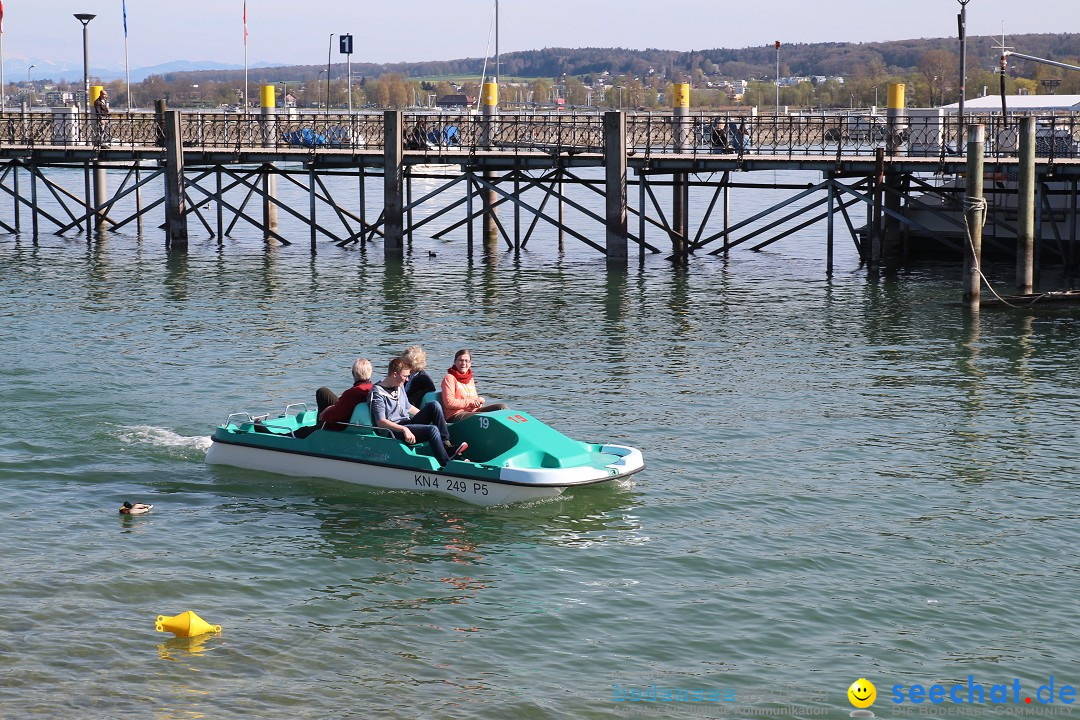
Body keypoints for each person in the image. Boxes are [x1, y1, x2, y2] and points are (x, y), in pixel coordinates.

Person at [370, 357, 467, 468]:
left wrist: (434, 419)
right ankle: (446, 464)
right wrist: (404, 429)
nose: (407, 380)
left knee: (434, 406)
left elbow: (408, 407)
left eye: (408, 376)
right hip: (393, 430)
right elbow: (381, 422)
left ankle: (447, 446)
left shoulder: (398, 385)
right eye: (405, 376)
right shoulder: (377, 393)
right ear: (395, 374)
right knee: (432, 430)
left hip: (406, 423)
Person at [441, 349, 509, 422]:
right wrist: (471, 402)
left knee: (502, 407)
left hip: (473, 411)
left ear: (470, 363)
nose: (463, 363)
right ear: (455, 362)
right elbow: (449, 403)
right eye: (460, 360)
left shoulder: (470, 379)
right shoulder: (449, 378)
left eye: (466, 361)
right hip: (456, 415)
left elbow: (474, 399)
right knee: (486, 417)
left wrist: (479, 401)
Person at [315, 357, 375, 431]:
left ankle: (319, 428)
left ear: (353, 373)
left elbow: (336, 415)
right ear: (371, 373)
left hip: (342, 425)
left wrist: (324, 415)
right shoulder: (374, 389)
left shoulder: (352, 393)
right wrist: (332, 407)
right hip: (355, 416)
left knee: (321, 392)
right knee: (323, 392)